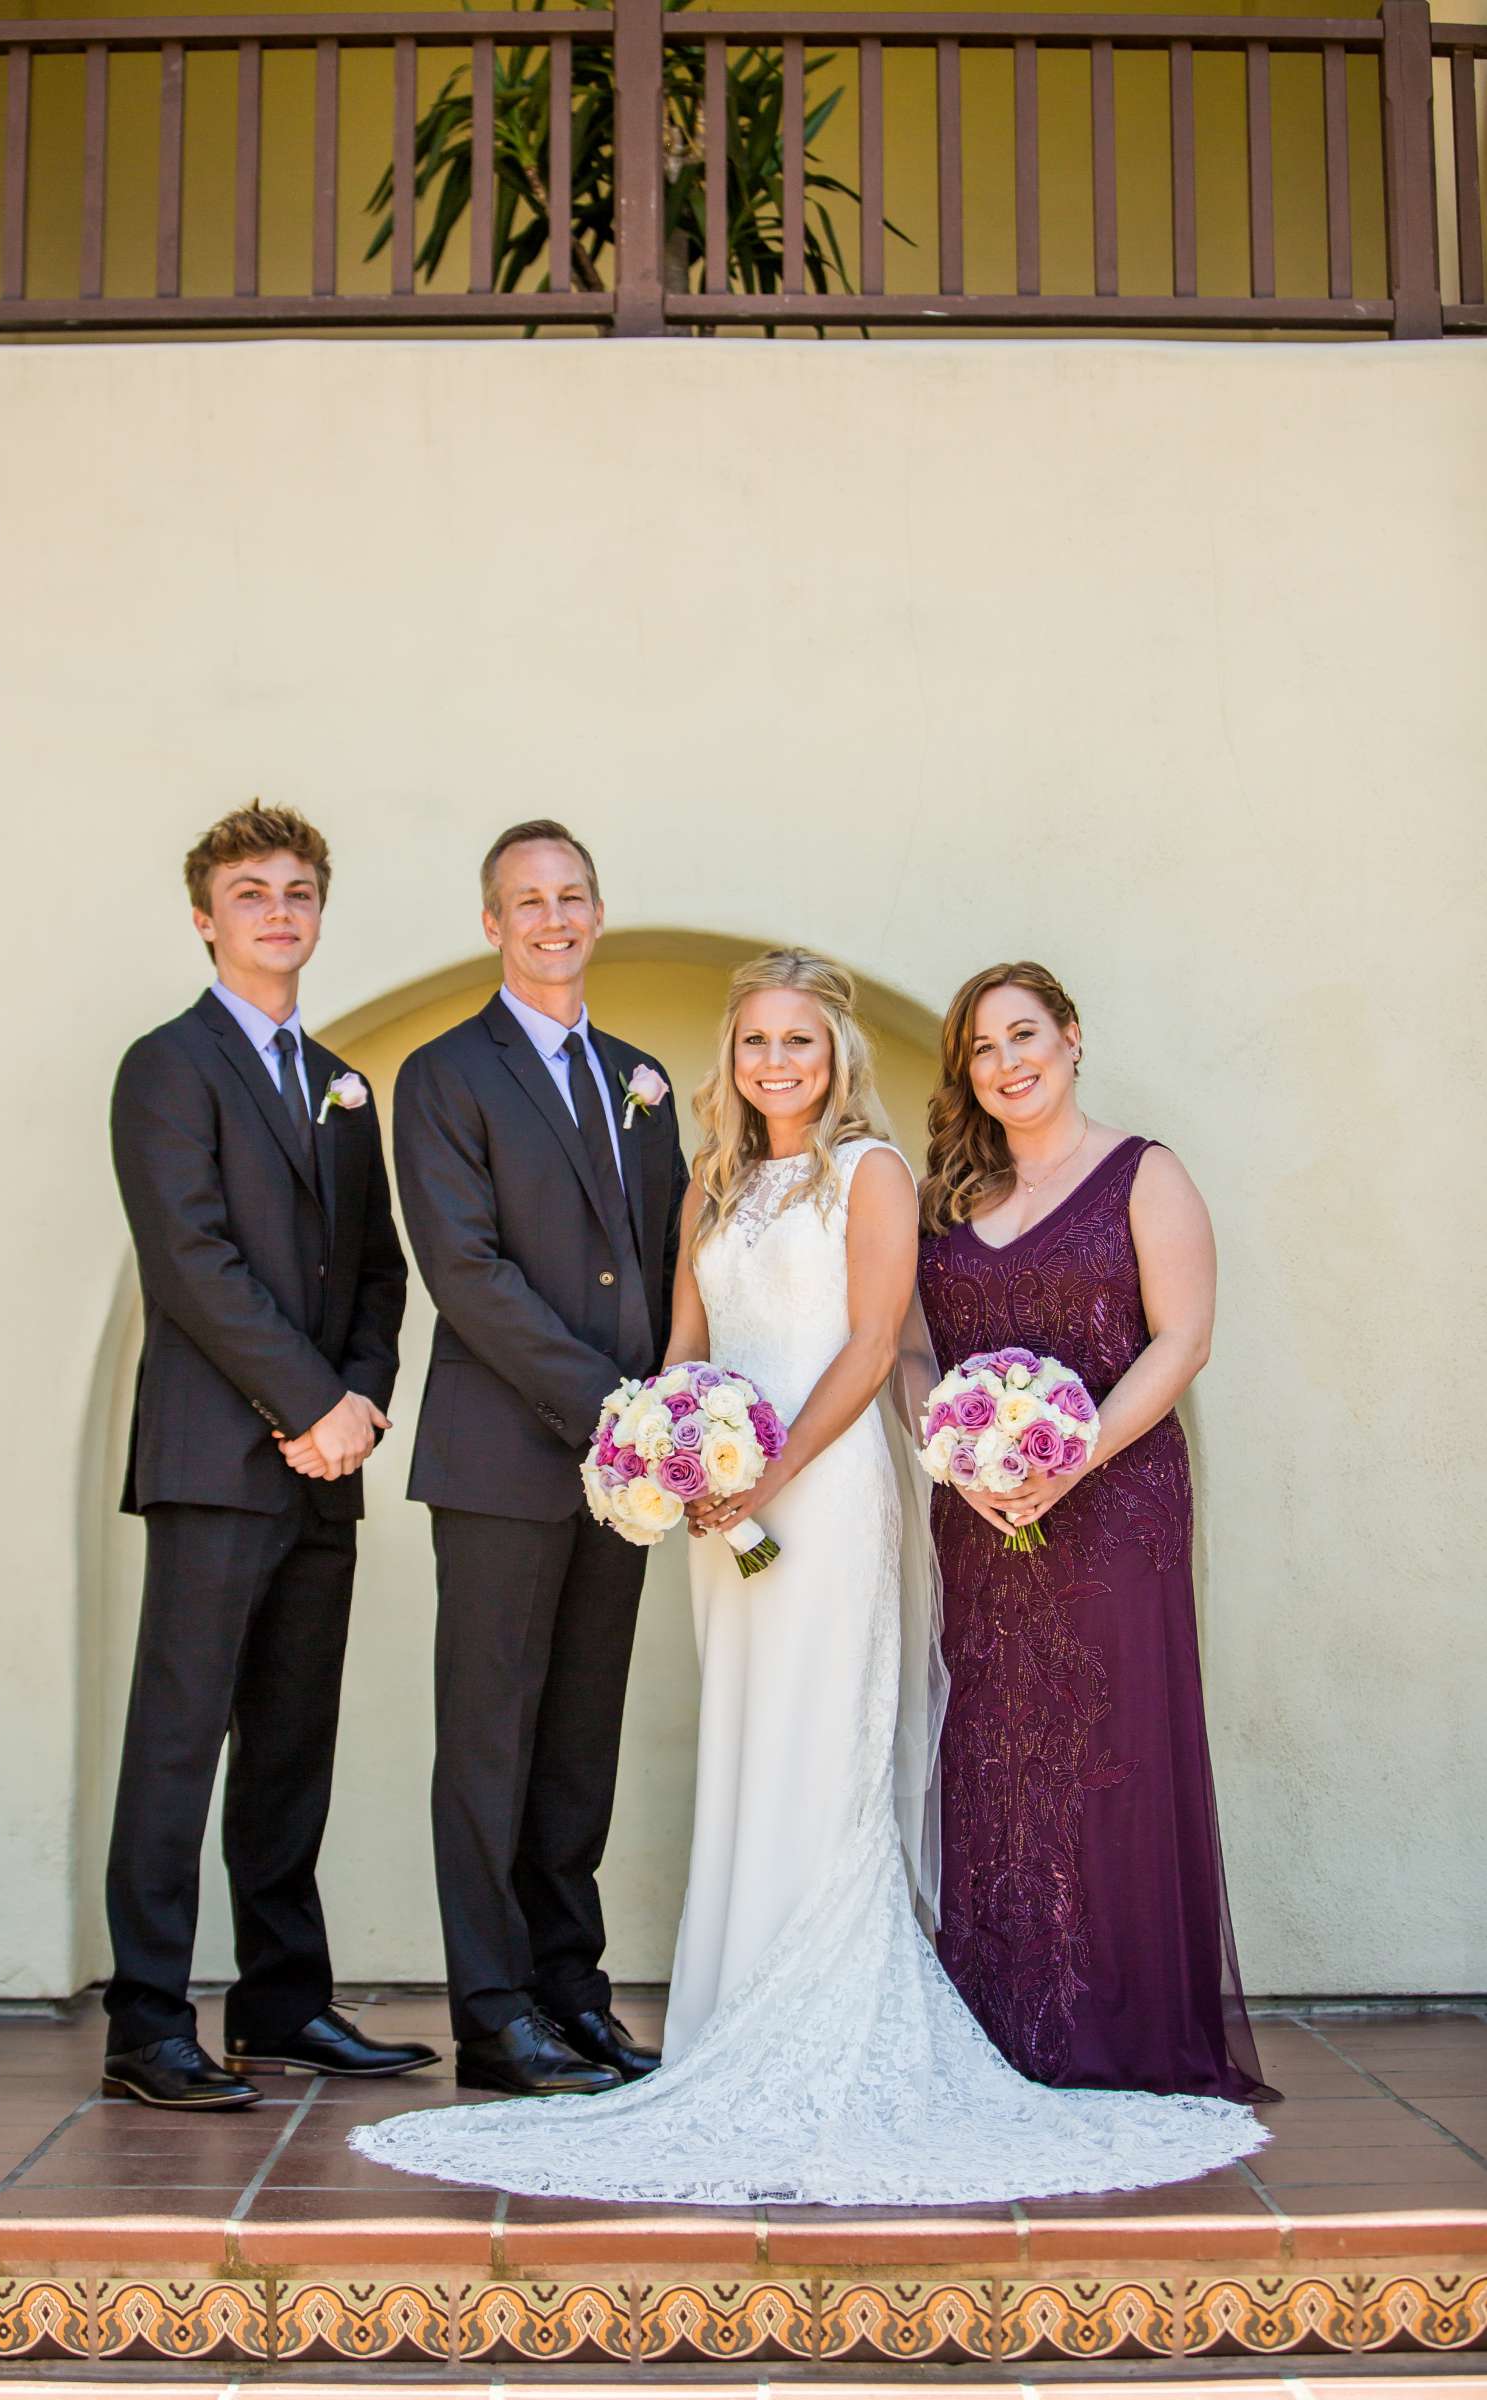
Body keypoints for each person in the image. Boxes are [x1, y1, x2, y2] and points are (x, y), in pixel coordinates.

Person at [350, 949, 1267, 2202]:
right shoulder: (713, 1184)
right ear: (731, 1062)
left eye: (799, 1040)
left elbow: (880, 1343)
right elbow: (685, 1342)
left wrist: (770, 1470)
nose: (777, 1061)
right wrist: (668, 1454)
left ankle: (832, 2006)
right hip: (727, 1507)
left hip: (820, 1493)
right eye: (754, 1043)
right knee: (745, 1736)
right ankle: (734, 2015)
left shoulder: (872, 1174)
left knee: (819, 1737)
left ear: (836, 1055)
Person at [103, 804, 431, 2110]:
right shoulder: (166, 1067)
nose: (277, 911)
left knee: (293, 1742)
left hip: (323, 1464)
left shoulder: (339, 1083)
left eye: (297, 891)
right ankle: (144, 2022)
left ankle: (283, 2007)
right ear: (205, 914)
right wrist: (304, 1404)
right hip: (212, 1460)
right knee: (179, 1742)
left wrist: (354, 1400)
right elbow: (192, 1262)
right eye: (250, 893)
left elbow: (375, 1268)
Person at [917, 960, 1272, 2101]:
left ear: (1072, 1037)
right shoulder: (948, 1196)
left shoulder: (1142, 1173)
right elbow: (916, 1353)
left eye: (1026, 1036)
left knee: (1109, 1751)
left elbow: (1184, 1339)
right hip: (980, 1516)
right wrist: (966, 1461)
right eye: (984, 1048)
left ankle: (1119, 2029)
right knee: (992, 1752)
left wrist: (1068, 1459)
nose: (1008, 1063)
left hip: (1114, 1510)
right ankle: (1005, 2024)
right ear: (966, 1073)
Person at [392, 820, 689, 2096]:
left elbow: (673, 1250)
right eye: (528, 901)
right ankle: (494, 2012)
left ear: (600, 910)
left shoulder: (642, 1076)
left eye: (572, 896)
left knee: (580, 1738)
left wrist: (685, 1405)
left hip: (622, 1477)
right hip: (504, 1460)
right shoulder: (442, 1075)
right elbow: (467, 1274)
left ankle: (574, 1990)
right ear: (491, 924)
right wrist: (616, 1406)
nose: (553, 917)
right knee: (490, 1739)